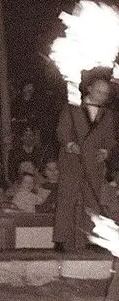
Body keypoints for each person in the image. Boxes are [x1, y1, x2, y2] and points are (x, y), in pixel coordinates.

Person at [55, 72, 116, 251]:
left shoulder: (107, 115)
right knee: (66, 199)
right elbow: (62, 131)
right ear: (89, 89)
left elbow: (110, 138)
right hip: (73, 161)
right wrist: (70, 144)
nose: (102, 97)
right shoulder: (72, 108)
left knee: (92, 202)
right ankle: (61, 239)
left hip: (94, 164)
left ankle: (91, 240)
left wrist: (105, 151)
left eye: (106, 94)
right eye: (99, 92)